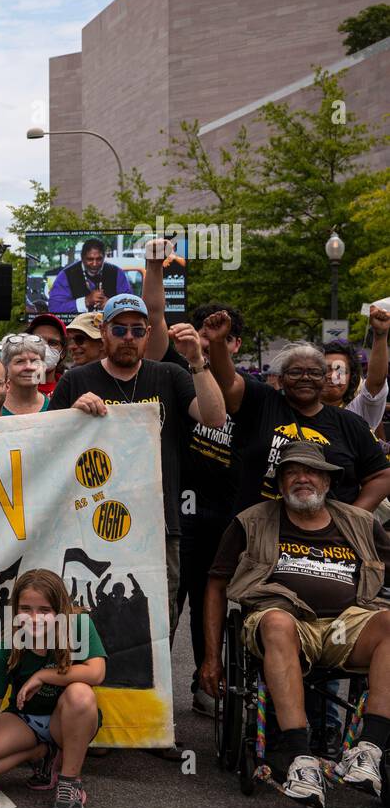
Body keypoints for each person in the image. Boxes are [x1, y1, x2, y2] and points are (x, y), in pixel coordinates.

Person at [200, 440, 390, 806]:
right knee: (276, 622)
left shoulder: (360, 523)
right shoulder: (251, 522)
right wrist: (211, 657)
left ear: (327, 481)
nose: (302, 478)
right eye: (291, 472)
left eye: (311, 471)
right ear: (280, 483)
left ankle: (368, 751)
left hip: (345, 624)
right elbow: (216, 583)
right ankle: (301, 759)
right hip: (283, 620)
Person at [50, 294, 228, 640]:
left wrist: (197, 362)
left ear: (148, 334)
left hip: (157, 524)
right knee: (91, 615)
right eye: (119, 328)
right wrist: (72, 412)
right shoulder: (76, 380)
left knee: (159, 618)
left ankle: (154, 695)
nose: (128, 337)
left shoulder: (170, 375)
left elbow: (215, 418)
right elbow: (47, 446)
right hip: (91, 524)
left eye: (137, 330)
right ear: (104, 333)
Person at [0, 569, 107, 808]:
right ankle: (41, 753)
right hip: (26, 720)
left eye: (45, 610)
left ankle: (69, 782)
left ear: (60, 610)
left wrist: (43, 675)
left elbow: (96, 673)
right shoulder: (7, 646)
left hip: (67, 720)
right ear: (15, 611)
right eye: (26, 609)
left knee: (81, 693)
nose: (34, 618)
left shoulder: (78, 625)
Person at [205, 335, 390, 515]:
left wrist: (351, 517)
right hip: (259, 534)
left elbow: (382, 476)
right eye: (295, 372)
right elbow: (227, 381)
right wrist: (217, 340)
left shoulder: (350, 423)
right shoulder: (262, 403)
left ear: (324, 379)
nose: (305, 378)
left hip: (328, 542)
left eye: (315, 372)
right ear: (281, 379)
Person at [177, 303, 249, 717]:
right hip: (177, 515)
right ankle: (152, 695)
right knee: (166, 604)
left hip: (223, 519)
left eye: (216, 339)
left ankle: (207, 680)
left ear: (233, 343)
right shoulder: (184, 379)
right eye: (199, 339)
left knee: (210, 605)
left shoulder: (247, 393)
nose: (202, 346)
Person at [320, 305, 389, 429]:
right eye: (325, 370)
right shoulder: (299, 410)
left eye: (340, 370)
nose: (332, 376)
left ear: (351, 377)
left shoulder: (359, 410)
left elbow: (376, 384)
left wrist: (380, 335)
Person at [46, 237, 137, 314]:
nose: (94, 264)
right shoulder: (66, 275)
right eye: (90, 259)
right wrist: (85, 301)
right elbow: (54, 308)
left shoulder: (117, 273)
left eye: (99, 259)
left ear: (104, 257)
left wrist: (112, 304)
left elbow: (131, 304)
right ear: (82, 257)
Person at [0, 334, 51, 415]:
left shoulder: (54, 407)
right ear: (6, 368)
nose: (29, 367)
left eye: (35, 361)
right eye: (19, 361)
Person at [27, 313, 68, 394]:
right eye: (37, 341)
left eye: (53, 343)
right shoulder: (10, 389)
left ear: (62, 353)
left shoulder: (69, 390)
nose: (44, 348)